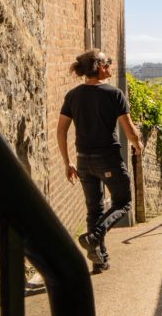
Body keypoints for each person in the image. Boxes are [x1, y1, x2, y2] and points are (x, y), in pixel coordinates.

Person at [56, 49, 142, 273]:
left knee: (93, 210)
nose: (111, 66)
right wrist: (137, 144)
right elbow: (129, 130)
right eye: (109, 62)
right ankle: (94, 237)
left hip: (83, 161)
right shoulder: (114, 94)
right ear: (100, 66)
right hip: (108, 159)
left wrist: (68, 162)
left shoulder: (72, 96)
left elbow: (61, 131)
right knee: (123, 202)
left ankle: (99, 261)